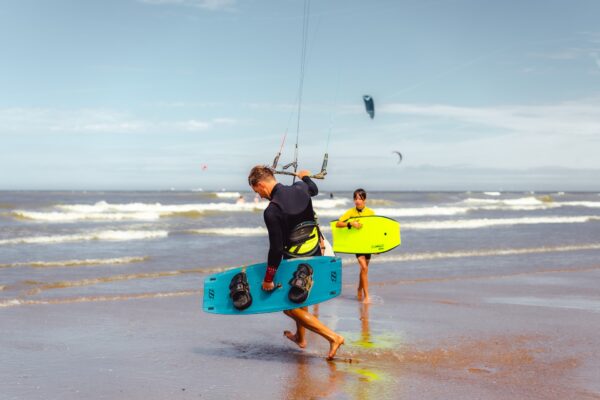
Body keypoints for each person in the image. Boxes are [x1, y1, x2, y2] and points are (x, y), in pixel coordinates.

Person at [248, 165, 344, 360]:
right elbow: (314, 189)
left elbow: (275, 250)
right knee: (301, 297)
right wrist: (306, 177)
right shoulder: (300, 189)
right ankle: (301, 338)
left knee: (288, 306)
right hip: (316, 254)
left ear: (260, 184)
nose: (259, 195)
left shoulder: (272, 211)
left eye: (256, 191)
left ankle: (333, 337)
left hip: (296, 263)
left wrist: (268, 279)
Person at [335, 188, 375, 303]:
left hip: (367, 244)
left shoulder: (371, 213)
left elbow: (374, 231)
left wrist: (376, 248)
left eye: (360, 198)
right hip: (357, 244)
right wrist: (350, 223)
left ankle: (359, 289)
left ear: (364, 200)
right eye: (356, 198)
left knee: (364, 270)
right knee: (364, 267)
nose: (357, 201)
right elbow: (338, 224)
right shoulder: (351, 212)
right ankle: (367, 296)